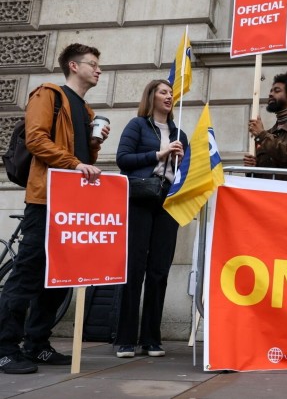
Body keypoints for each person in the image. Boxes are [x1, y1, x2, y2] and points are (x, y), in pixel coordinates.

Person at [0, 43, 108, 374]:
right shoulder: (47, 95)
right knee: (28, 274)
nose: (98, 69)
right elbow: (35, 139)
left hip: (71, 205)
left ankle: (37, 344)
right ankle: (5, 347)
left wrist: (93, 145)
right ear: (74, 66)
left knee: (58, 279)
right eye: (92, 64)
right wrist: (75, 162)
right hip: (45, 200)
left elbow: (83, 161)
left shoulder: (86, 111)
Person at [114, 80, 188, 359]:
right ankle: (125, 338)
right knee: (134, 268)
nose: (169, 96)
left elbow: (186, 172)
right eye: (163, 92)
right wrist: (159, 153)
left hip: (168, 202)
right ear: (151, 96)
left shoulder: (180, 132)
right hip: (140, 199)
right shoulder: (138, 126)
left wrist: (184, 161)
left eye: (171, 93)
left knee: (159, 270)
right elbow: (123, 159)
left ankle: (151, 338)